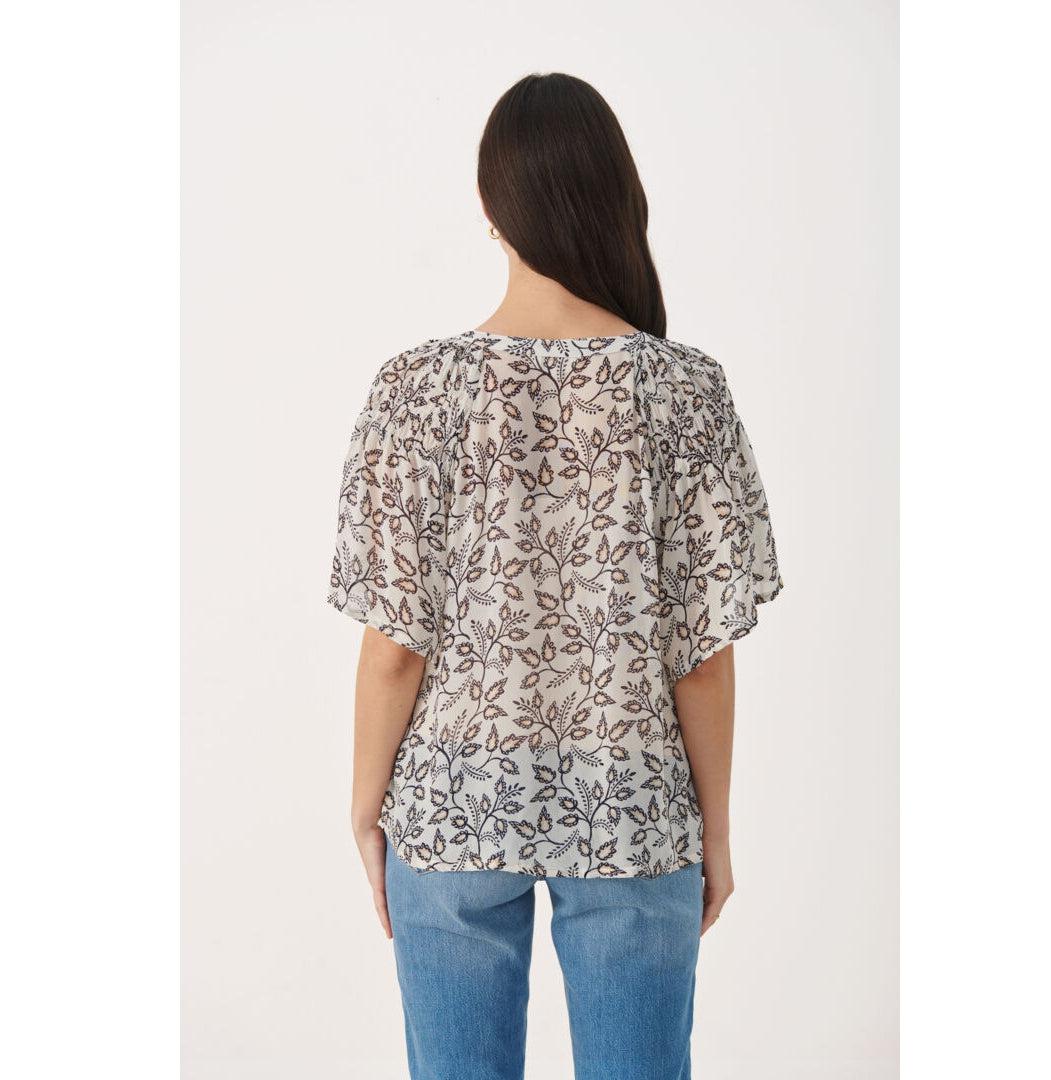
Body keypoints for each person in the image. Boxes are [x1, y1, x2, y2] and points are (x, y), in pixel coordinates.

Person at [327, 72, 782, 1080]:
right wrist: (714, 830)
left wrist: (365, 806)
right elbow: (701, 654)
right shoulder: (685, 390)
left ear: (491, 209)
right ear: (620, 198)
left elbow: (394, 645)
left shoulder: (415, 389)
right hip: (634, 807)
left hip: (452, 801)